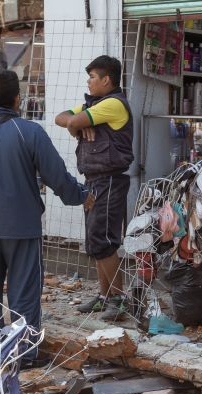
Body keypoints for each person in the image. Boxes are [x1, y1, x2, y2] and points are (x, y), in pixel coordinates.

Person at [0, 69, 93, 366]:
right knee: (24, 296)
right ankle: (22, 355)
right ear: (17, 99)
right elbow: (57, 177)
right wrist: (81, 195)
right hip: (23, 229)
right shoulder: (30, 132)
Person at [55, 55, 134, 321]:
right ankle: (105, 296)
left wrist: (79, 125)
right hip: (94, 180)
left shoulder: (113, 104)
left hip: (109, 180)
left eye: (92, 77)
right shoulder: (95, 104)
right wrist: (77, 125)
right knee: (95, 240)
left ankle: (120, 299)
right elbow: (60, 117)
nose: (88, 82)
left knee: (104, 240)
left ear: (106, 80)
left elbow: (73, 121)